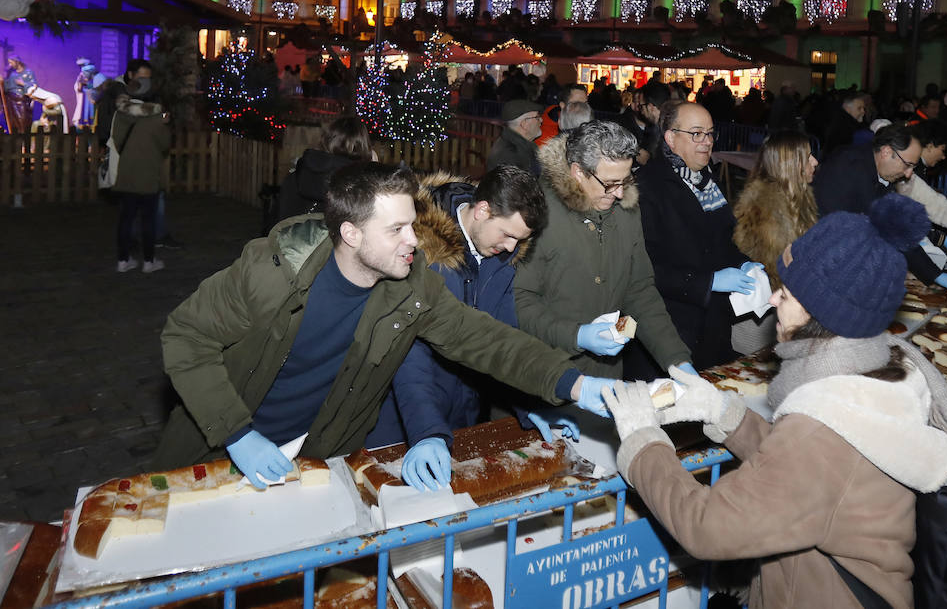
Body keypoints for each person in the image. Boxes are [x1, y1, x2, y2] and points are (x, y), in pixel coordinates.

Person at [600, 192, 947, 609]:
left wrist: (644, 442)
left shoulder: (826, 424)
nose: (772, 299)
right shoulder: (876, 375)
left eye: (786, 295)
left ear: (822, 316)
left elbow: (708, 526)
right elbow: (808, 477)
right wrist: (727, 416)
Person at [152, 162, 612, 484]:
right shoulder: (271, 274)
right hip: (221, 449)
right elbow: (186, 336)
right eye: (396, 230)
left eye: (412, 224)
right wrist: (238, 434)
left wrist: (572, 383)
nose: (414, 240)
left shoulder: (411, 282)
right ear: (351, 233)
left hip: (320, 459)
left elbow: (484, 339)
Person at [365, 166, 580, 486]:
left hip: (459, 416)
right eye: (507, 234)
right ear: (482, 210)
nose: (510, 247)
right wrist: (426, 432)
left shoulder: (500, 261)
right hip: (400, 420)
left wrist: (529, 402)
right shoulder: (419, 253)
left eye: (520, 239)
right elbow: (409, 354)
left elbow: (503, 341)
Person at [515, 120, 695, 382]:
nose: (621, 193)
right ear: (578, 172)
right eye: (610, 183)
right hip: (542, 375)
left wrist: (676, 359)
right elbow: (518, 300)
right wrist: (576, 335)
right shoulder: (537, 212)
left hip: (605, 374)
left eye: (626, 179)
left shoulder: (625, 211)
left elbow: (640, 290)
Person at [636, 100, 757, 370]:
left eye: (710, 133)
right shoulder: (649, 186)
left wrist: (743, 263)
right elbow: (644, 267)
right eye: (696, 133)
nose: (707, 141)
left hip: (713, 321)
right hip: (672, 325)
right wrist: (708, 282)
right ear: (670, 138)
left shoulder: (706, 181)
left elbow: (722, 240)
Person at [815, 123, 947, 297]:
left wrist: (935, 274)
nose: (908, 174)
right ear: (886, 152)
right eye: (907, 165)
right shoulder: (851, 168)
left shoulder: (878, 170)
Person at [731, 130, 818, 352]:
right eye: (807, 157)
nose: (815, 162)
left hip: (783, 310)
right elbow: (780, 273)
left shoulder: (799, 198)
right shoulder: (767, 210)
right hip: (761, 320)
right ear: (790, 164)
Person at [111, 78, 170, 273]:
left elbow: (118, 142)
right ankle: (148, 260)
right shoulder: (157, 116)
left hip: (128, 171)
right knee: (148, 219)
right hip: (148, 172)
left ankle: (123, 260)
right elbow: (165, 144)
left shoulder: (121, 114)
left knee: (126, 218)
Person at [275, 116, 372, 225]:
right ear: (364, 146)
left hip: (287, 239)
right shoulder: (360, 185)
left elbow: (276, 220)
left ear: (325, 140)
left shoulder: (297, 175)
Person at [486, 99, 544, 175]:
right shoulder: (510, 156)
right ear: (524, 124)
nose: (541, 120)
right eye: (537, 117)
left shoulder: (521, 145)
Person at [73, 58, 107, 131]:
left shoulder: (99, 78)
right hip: (85, 107)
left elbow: (97, 95)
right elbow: (79, 89)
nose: (84, 76)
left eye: (85, 73)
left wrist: (89, 89)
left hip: (96, 108)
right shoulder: (83, 77)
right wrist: (82, 84)